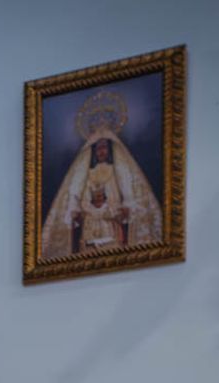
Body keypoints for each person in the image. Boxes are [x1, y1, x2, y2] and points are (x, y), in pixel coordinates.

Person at [39, 89, 165, 259]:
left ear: (110, 149)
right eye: (98, 148)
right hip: (89, 230)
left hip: (111, 228)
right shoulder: (87, 174)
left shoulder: (117, 172)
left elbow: (125, 199)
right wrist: (85, 210)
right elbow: (80, 200)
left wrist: (114, 210)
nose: (101, 151)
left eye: (104, 147)